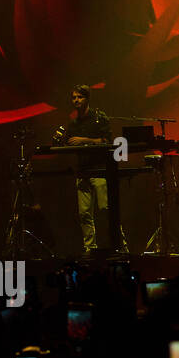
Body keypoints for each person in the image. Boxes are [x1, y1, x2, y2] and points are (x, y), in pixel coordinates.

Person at [59, 84, 127, 254]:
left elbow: (107, 141)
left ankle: (120, 245)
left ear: (87, 98)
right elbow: (68, 142)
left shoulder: (99, 117)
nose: (76, 100)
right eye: (73, 97)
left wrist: (84, 140)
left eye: (79, 97)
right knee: (84, 214)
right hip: (82, 171)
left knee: (106, 209)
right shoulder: (73, 123)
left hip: (100, 170)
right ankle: (90, 249)